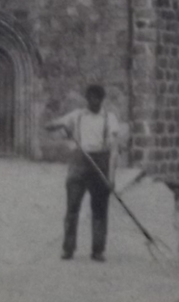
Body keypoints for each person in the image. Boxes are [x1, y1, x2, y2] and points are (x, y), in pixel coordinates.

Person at [45, 84, 124, 262]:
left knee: (99, 210)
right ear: (86, 98)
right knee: (72, 208)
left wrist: (111, 178)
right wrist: (59, 126)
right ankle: (68, 248)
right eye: (90, 98)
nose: (93, 101)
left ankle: (98, 250)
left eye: (97, 98)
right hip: (79, 164)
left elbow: (113, 150)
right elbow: (50, 126)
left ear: (102, 100)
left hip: (100, 164)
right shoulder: (77, 115)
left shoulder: (109, 119)